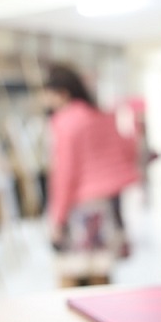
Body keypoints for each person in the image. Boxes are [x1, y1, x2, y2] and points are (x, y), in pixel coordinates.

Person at [42, 64, 139, 286]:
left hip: (80, 207)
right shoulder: (100, 116)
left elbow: (65, 173)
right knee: (101, 275)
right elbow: (127, 151)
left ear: (62, 93)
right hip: (108, 203)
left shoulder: (64, 122)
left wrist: (57, 218)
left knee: (71, 275)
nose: (46, 101)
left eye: (48, 94)